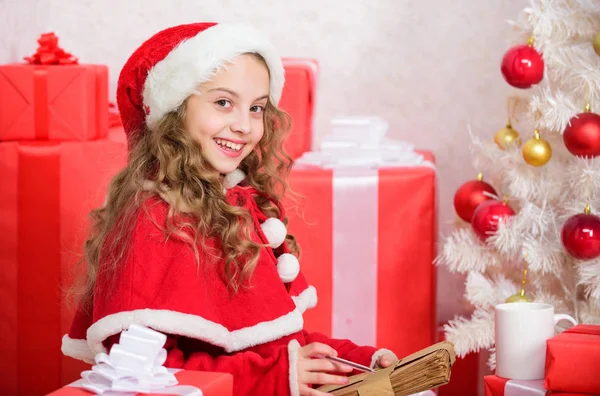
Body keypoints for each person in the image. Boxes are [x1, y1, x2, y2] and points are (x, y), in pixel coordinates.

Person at [62, 22, 397, 396]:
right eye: (223, 102)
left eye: (256, 108)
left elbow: (268, 345)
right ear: (173, 111)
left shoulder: (235, 206)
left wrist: (355, 361)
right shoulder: (153, 219)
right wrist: (276, 377)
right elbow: (139, 375)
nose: (243, 125)